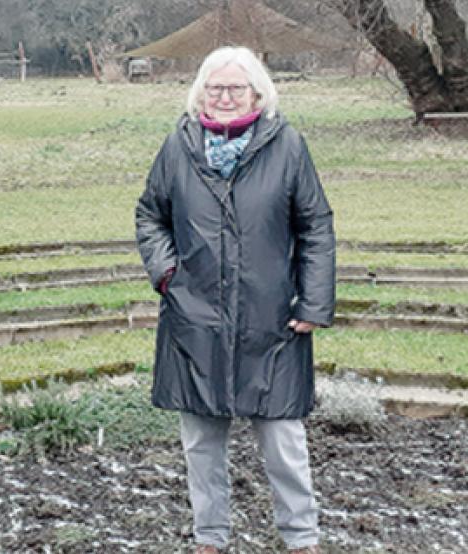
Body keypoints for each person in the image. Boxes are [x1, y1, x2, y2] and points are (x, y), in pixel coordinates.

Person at [135, 46, 334, 554]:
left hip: (272, 320)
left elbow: (314, 226)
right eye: (215, 88)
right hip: (194, 317)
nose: (224, 97)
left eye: (235, 88)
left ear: (258, 93)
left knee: (283, 443)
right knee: (201, 443)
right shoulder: (178, 148)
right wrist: (168, 275)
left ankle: (301, 538)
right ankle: (210, 539)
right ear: (201, 91)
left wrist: (311, 305)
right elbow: (150, 215)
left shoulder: (287, 146)